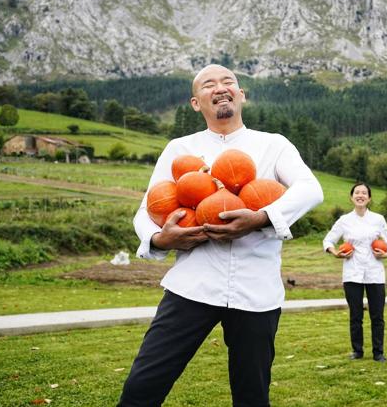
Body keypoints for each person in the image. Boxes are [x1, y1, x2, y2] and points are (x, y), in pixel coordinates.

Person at [118, 64, 324, 407]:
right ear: (196, 103)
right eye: (209, 84)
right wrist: (160, 239)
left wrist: (261, 217)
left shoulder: (273, 145)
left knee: (252, 397)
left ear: (241, 95)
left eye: (228, 81)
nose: (220, 87)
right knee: (142, 387)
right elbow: (147, 210)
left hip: (256, 292)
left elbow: (310, 189)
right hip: (192, 285)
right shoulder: (179, 149)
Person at [322, 182, 387, 363]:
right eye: (357, 192)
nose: (360, 195)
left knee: (377, 315)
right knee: (356, 315)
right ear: (351, 197)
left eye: (364, 193)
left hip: (375, 273)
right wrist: (336, 253)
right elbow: (328, 241)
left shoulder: (378, 219)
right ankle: (357, 351)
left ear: (369, 198)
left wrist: (386, 253)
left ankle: (378, 352)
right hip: (352, 273)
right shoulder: (344, 220)